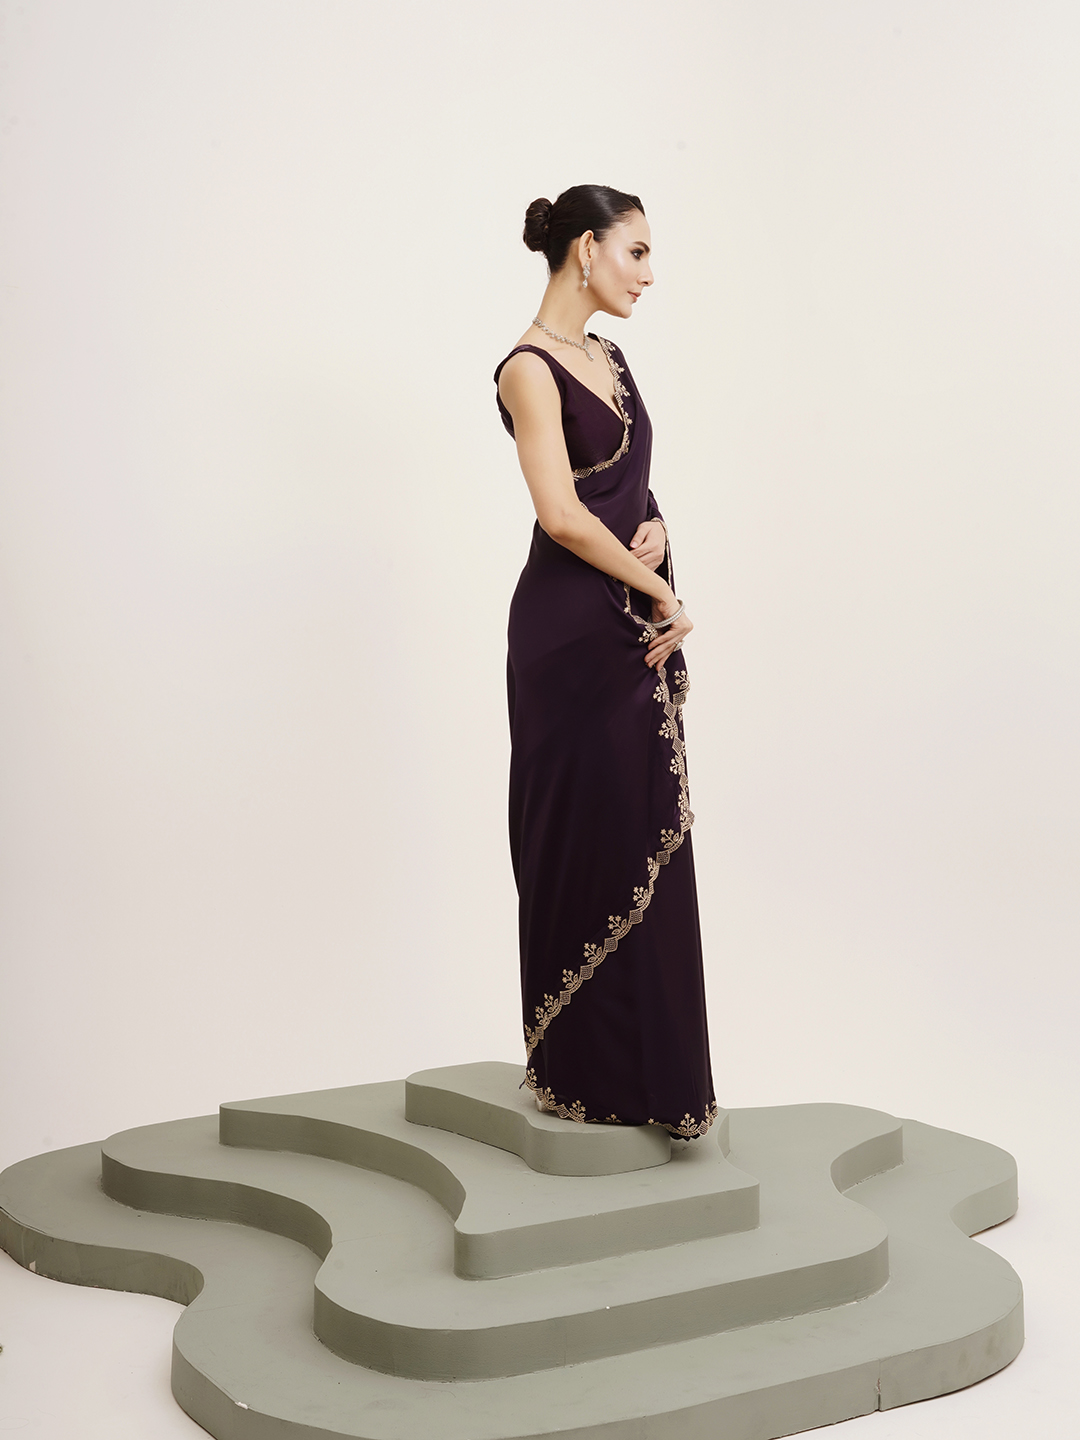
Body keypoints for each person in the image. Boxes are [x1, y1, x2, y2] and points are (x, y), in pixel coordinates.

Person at [494, 185, 717, 1139]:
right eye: (637, 252)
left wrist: (659, 529)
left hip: (625, 618)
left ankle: (656, 1081)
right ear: (586, 249)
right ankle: (580, 1072)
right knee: (584, 839)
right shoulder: (528, 370)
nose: (649, 274)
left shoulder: (610, 358)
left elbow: (627, 487)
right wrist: (658, 588)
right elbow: (561, 514)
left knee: (647, 830)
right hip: (568, 639)